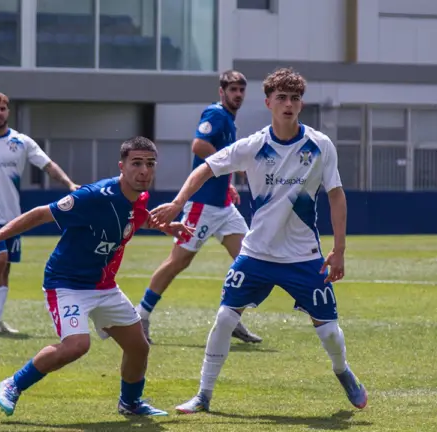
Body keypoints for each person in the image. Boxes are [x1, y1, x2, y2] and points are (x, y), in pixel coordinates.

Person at [150, 67, 368, 414]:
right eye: (281, 97)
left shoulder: (319, 145)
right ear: (268, 102)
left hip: (303, 256)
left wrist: (339, 250)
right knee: (224, 318)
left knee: (328, 332)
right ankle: (203, 395)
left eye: (294, 98)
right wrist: (178, 203)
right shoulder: (254, 145)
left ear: (301, 104)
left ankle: (343, 372)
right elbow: (205, 167)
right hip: (257, 254)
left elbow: (337, 196)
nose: (288, 104)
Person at [0, 137, 194, 417]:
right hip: (66, 283)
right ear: (122, 166)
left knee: (138, 347)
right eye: (136, 164)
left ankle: (130, 404)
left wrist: (166, 227)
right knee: (77, 345)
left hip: (104, 286)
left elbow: (134, 217)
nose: (144, 170)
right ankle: (14, 383)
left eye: (150, 164)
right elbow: (40, 214)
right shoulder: (94, 196)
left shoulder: (139, 197)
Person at [135, 70, 262, 345]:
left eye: (241, 89)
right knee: (178, 262)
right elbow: (199, 146)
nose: (238, 94)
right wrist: (229, 166)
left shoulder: (229, 119)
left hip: (224, 207)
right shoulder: (216, 114)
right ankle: (140, 316)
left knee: (249, 260)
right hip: (202, 206)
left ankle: (231, 319)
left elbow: (216, 159)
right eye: (232, 89)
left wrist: (226, 182)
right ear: (221, 91)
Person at [0, 92, 80, 336]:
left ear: (8, 111)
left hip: (13, 214)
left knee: (6, 266)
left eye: (3, 108)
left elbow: (48, 165)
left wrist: (69, 184)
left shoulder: (22, 142)